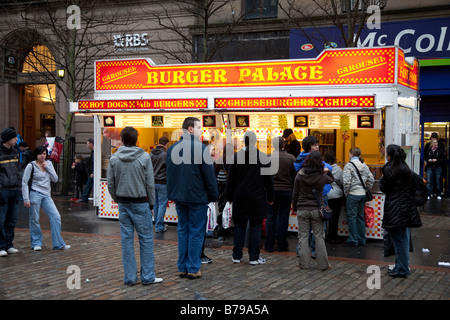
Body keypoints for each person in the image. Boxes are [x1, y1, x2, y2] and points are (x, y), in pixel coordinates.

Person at [107, 126, 162, 286]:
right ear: (136, 140)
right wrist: (151, 203)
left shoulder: (114, 158)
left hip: (124, 202)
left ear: (122, 140)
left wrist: (117, 199)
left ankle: (130, 277)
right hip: (140, 202)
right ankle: (148, 276)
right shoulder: (144, 157)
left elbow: (110, 183)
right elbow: (150, 184)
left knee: (126, 241)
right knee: (146, 240)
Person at [166, 117, 218, 279]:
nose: (200, 130)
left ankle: (182, 267)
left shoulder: (171, 149)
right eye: (198, 127)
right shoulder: (201, 149)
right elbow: (209, 176)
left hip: (179, 196)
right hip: (197, 196)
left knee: (183, 230)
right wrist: (214, 195)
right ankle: (193, 268)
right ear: (190, 129)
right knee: (196, 232)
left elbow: (170, 174)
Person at [226, 131, 274, 265]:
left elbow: (231, 179)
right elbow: (268, 180)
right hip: (257, 197)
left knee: (239, 227)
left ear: (244, 141)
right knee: (255, 227)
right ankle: (254, 257)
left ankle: (236, 255)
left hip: (239, 196)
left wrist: (228, 197)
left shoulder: (236, 157)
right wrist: (270, 197)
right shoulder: (263, 157)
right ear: (255, 141)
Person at [379, 144, 422, 278]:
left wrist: (382, 180)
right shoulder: (405, 168)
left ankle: (402, 269)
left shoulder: (389, 170)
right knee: (402, 239)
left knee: (399, 241)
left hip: (394, 208)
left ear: (389, 155)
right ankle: (400, 266)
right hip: (406, 207)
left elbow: (384, 188)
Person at [22, 146, 70, 251]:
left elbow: (55, 179)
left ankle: (58, 243)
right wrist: (26, 198)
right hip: (35, 194)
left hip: (46, 195)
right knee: (34, 219)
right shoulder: (31, 166)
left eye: (44, 154)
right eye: (40, 154)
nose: (42, 156)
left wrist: (47, 167)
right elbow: (24, 182)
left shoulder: (49, 164)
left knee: (56, 216)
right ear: (36, 155)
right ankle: (36, 243)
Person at [292, 150, 334, 270]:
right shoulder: (322, 176)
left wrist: (295, 206)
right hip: (317, 209)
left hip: (302, 208)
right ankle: (323, 264)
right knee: (319, 237)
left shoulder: (300, 174)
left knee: (303, 237)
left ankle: (304, 264)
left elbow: (295, 193)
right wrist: (328, 171)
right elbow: (332, 180)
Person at [264, 136, 296, 252]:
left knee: (270, 217)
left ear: (273, 145)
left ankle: (269, 245)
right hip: (286, 191)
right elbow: (294, 176)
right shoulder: (291, 158)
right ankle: (282, 245)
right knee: (283, 218)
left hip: (271, 191)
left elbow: (264, 176)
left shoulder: (268, 158)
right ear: (284, 145)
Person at [343, 147, 375, 247]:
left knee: (352, 217)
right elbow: (371, 179)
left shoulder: (348, 166)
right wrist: (366, 188)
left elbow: (347, 182)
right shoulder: (364, 165)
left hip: (353, 194)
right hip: (362, 194)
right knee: (360, 217)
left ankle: (353, 239)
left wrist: (346, 193)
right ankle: (362, 239)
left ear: (351, 153)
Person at [0, 127, 21, 257]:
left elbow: (18, 170)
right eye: (14, 137)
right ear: (8, 139)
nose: (17, 139)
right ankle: (1, 245)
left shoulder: (15, 152)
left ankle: (9, 244)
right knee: (1, 220)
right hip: (3, 191)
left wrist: (18, 186)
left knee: (12, 220)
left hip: (14, 190)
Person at [324, 150, 345, 243]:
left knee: (324, 216)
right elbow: (342, 182)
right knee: (335, 217)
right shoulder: (339, 169)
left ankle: (325, 236)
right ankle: (333, 236)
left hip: (326, 194)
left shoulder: (322, 168)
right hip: (337, 195)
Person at [150, 136, 169, 233]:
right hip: (162, 182)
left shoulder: (151, 154)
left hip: (153, 182)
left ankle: (157, 224)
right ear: (166, 144)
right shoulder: (165, 155)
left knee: (156, 204)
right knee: (162, 204)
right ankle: (159, 226)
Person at [77, 138, 94, 203]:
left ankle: (84, 198)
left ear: (91, 144)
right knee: (89, 185)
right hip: (92, 171)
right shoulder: (93, 152)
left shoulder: (94, 152)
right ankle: (84, 197)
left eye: (88, 144)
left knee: (88, 185)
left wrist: (93, 172)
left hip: (92, 172)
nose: (87, 145)